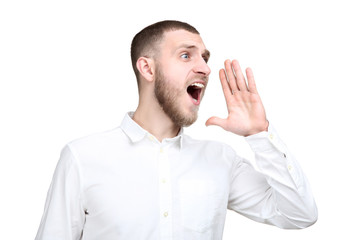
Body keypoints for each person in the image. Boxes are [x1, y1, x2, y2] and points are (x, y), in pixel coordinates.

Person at [35, 20, 317, 240]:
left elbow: (299, 214)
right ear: (147, 68)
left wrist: (259, 134)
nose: (205, 69)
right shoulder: (83, 157)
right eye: (186, 56)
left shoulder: (220, 160)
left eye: (205, 58)